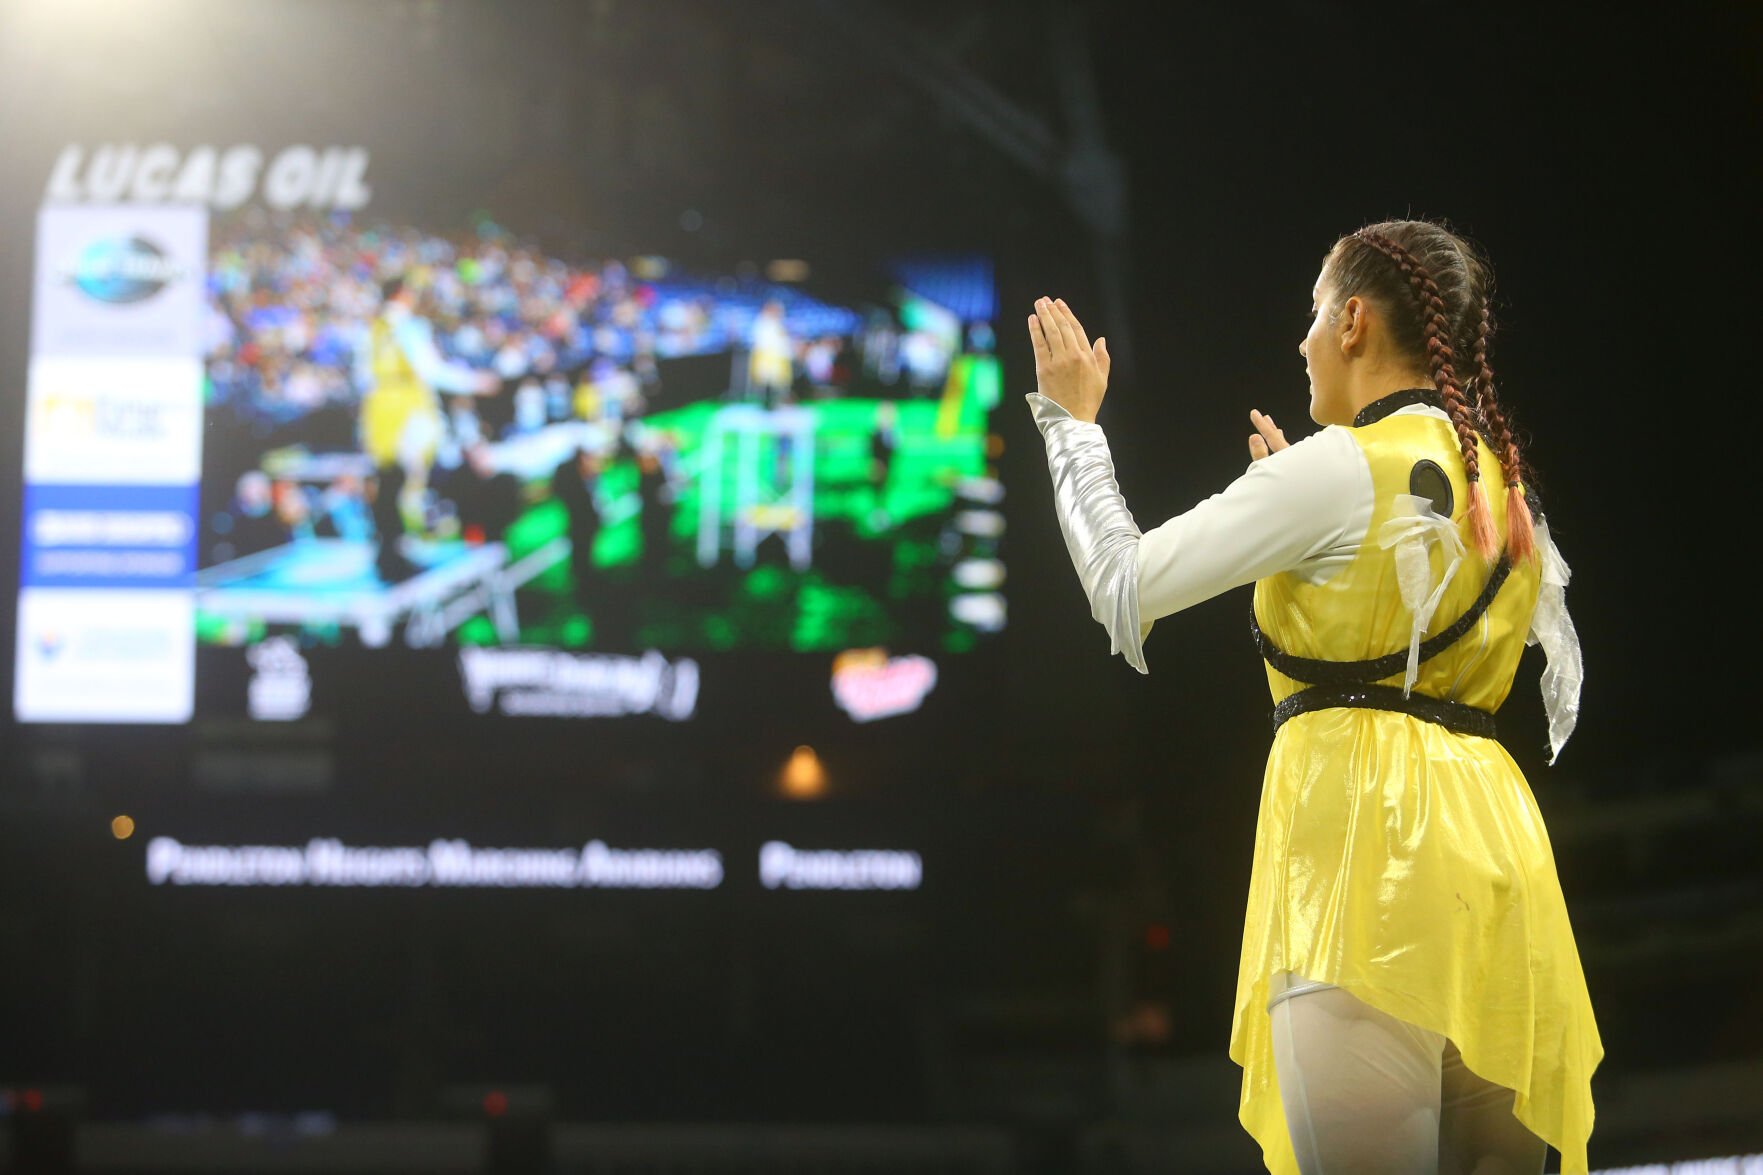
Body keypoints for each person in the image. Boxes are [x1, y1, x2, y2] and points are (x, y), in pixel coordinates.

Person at [1024, 219, 1600, 1175]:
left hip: (1361, 857)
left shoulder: (1332, 471)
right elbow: (1398, 626)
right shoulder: (1505, 485)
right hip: (1499, 862)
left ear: (1353, 323)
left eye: (1312, 314)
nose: (1300, 340)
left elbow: (1121, 587)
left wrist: (1070, 425)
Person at [360, 276, 501, 582]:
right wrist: (476, 381)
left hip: (378, 414)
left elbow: (362, 375)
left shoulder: (373, 328)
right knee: (407, 484)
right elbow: (431, 369)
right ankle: (400, 555)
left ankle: (388, 554)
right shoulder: (409, 327)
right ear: (403, 293)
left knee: (388, 484)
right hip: (408, 412)